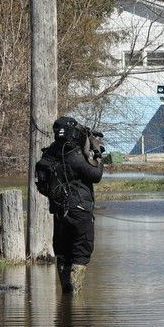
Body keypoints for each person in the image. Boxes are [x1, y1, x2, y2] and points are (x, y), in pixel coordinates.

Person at [37, 115, 104, 294]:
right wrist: (97, 153)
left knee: (63, 253)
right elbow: (96, 175)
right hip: (80, 211)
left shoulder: (50, 153)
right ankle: (75, 301)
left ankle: (66, 300)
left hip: (60, 211)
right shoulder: (74, 155)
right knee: (81, 253)